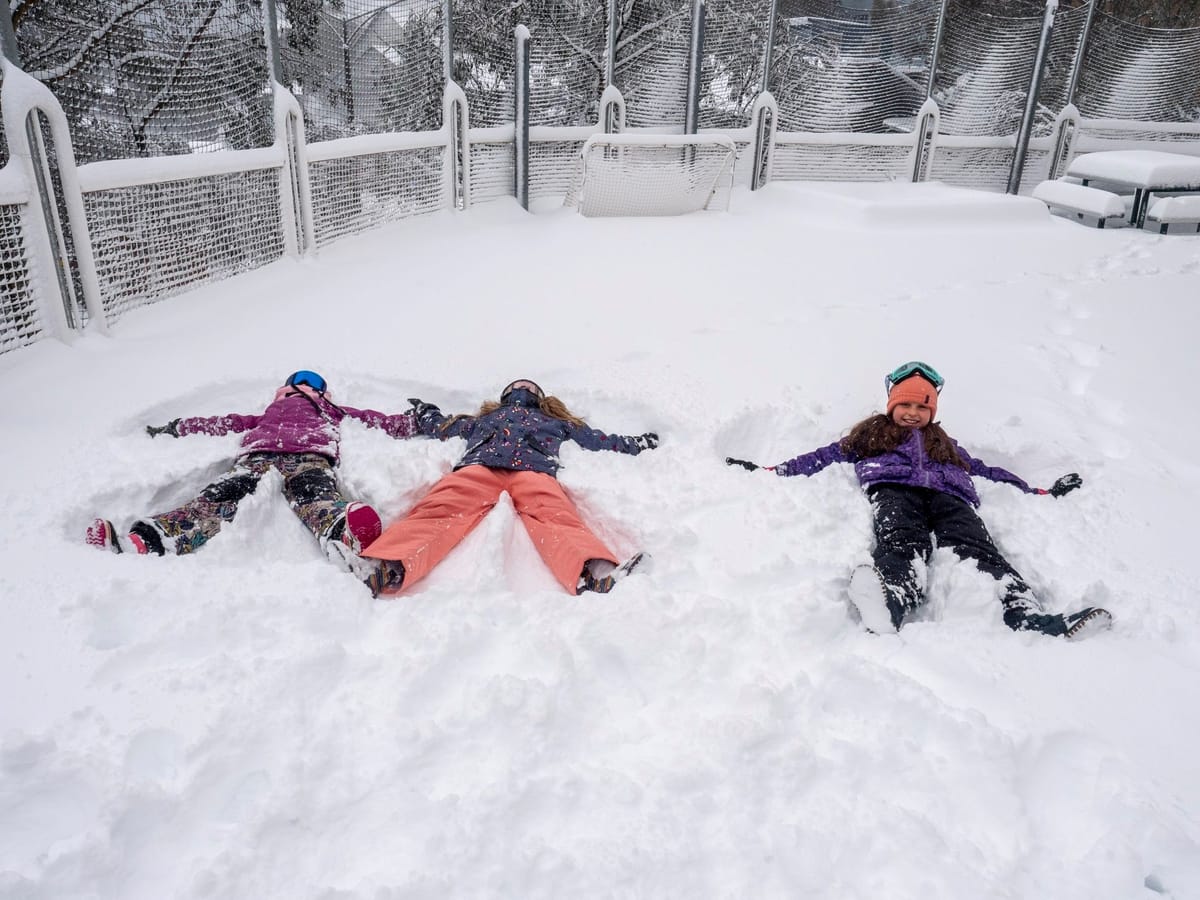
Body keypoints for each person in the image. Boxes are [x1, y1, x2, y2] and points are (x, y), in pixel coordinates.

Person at [726, 361, 1112, 640]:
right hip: (892, 488)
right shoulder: (871, 435)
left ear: (932, 410)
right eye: (906, 405)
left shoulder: (945, 443)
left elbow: (984, 469)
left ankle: (1026, 614)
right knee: (902, 542)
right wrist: (771, 471)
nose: (913, 413)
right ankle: (891, 600)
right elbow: (823, 457)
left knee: (978, 548)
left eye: (921, 407)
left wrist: (1037, 491)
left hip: (951, 496)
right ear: (892, 405)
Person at [359, 379, 657, 597]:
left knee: (554, 515)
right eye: (518, 386)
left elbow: (599, 440)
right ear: (505, 396)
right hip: (480, 467)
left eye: (530, 387)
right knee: (441, 509)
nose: (523, 389)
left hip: (533, 471)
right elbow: (445, 426)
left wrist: (637, 444)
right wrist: (426, 413)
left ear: (541, 398)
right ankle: (386, 565)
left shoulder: (555, 421)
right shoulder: (485, 419)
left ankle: (594, 572)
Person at [86, 370, 417, 566]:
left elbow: (369, 419)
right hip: (288, 456)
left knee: (229, 498)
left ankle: (343, 531)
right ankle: (145, 541)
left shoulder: (323, 409)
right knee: (231, 495)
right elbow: (225, 422)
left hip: (287, 458)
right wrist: (179, 427)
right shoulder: (309, 409)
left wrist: (409, 422)